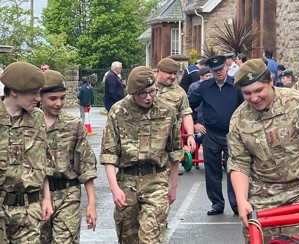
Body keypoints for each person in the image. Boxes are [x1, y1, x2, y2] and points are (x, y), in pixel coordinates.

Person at [227, 59, 299, 243]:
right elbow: (239, 163)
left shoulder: (298, 104)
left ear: (270, 80)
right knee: (258, 236)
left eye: (258, 90)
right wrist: (242, 200)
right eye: (247, 93)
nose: (254, 98)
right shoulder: (239, 120)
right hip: (264, 191)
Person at [100, 66, 183, 243]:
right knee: (127, 238)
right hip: (127, 181)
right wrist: (115, 189)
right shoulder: (118, 111)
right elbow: (109, 155)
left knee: (150, 237)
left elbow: (175, 151)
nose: (148, 97)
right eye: (142, 94)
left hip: (156, 179)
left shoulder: (167, 111)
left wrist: (173, 186)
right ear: (132, 93)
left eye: (152, 91)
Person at [39, 70, 97, 243]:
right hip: (38, 196)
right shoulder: (30, 123)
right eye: (53, 98)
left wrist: (92, 203)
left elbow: (86, 164)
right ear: (40, 97)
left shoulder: (74, 124)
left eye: (62, 98)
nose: (59, 103)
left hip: (68, 194)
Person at [0, 61, 54, 243]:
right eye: (33, 93)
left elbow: (43, 160)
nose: (38, 98)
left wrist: (46, 198)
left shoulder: (37, 118)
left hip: (29, 208)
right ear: (14, 91)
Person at [188, 55, 244, 216]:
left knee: (233, 169)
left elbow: (245, 107)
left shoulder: (236, 86)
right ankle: (217, 204)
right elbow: (189, 104)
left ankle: (236, 204)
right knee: (212, 170)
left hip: (232, 134)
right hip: (211, 133)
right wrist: (194, 122)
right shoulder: (204, 87)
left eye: (220, 69)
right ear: (211, 72)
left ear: (226, 68)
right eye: (215, 71)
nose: (218, 73)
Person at [155, 57, 196, 153]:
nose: (173, 77)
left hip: (171, 141)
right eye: (169, 73)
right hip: (148, 139)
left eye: (175, 73)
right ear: (159, 71)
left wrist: (190, 135)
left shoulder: (179, 92)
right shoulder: (147, 87)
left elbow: (186, 114)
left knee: (173, 164)